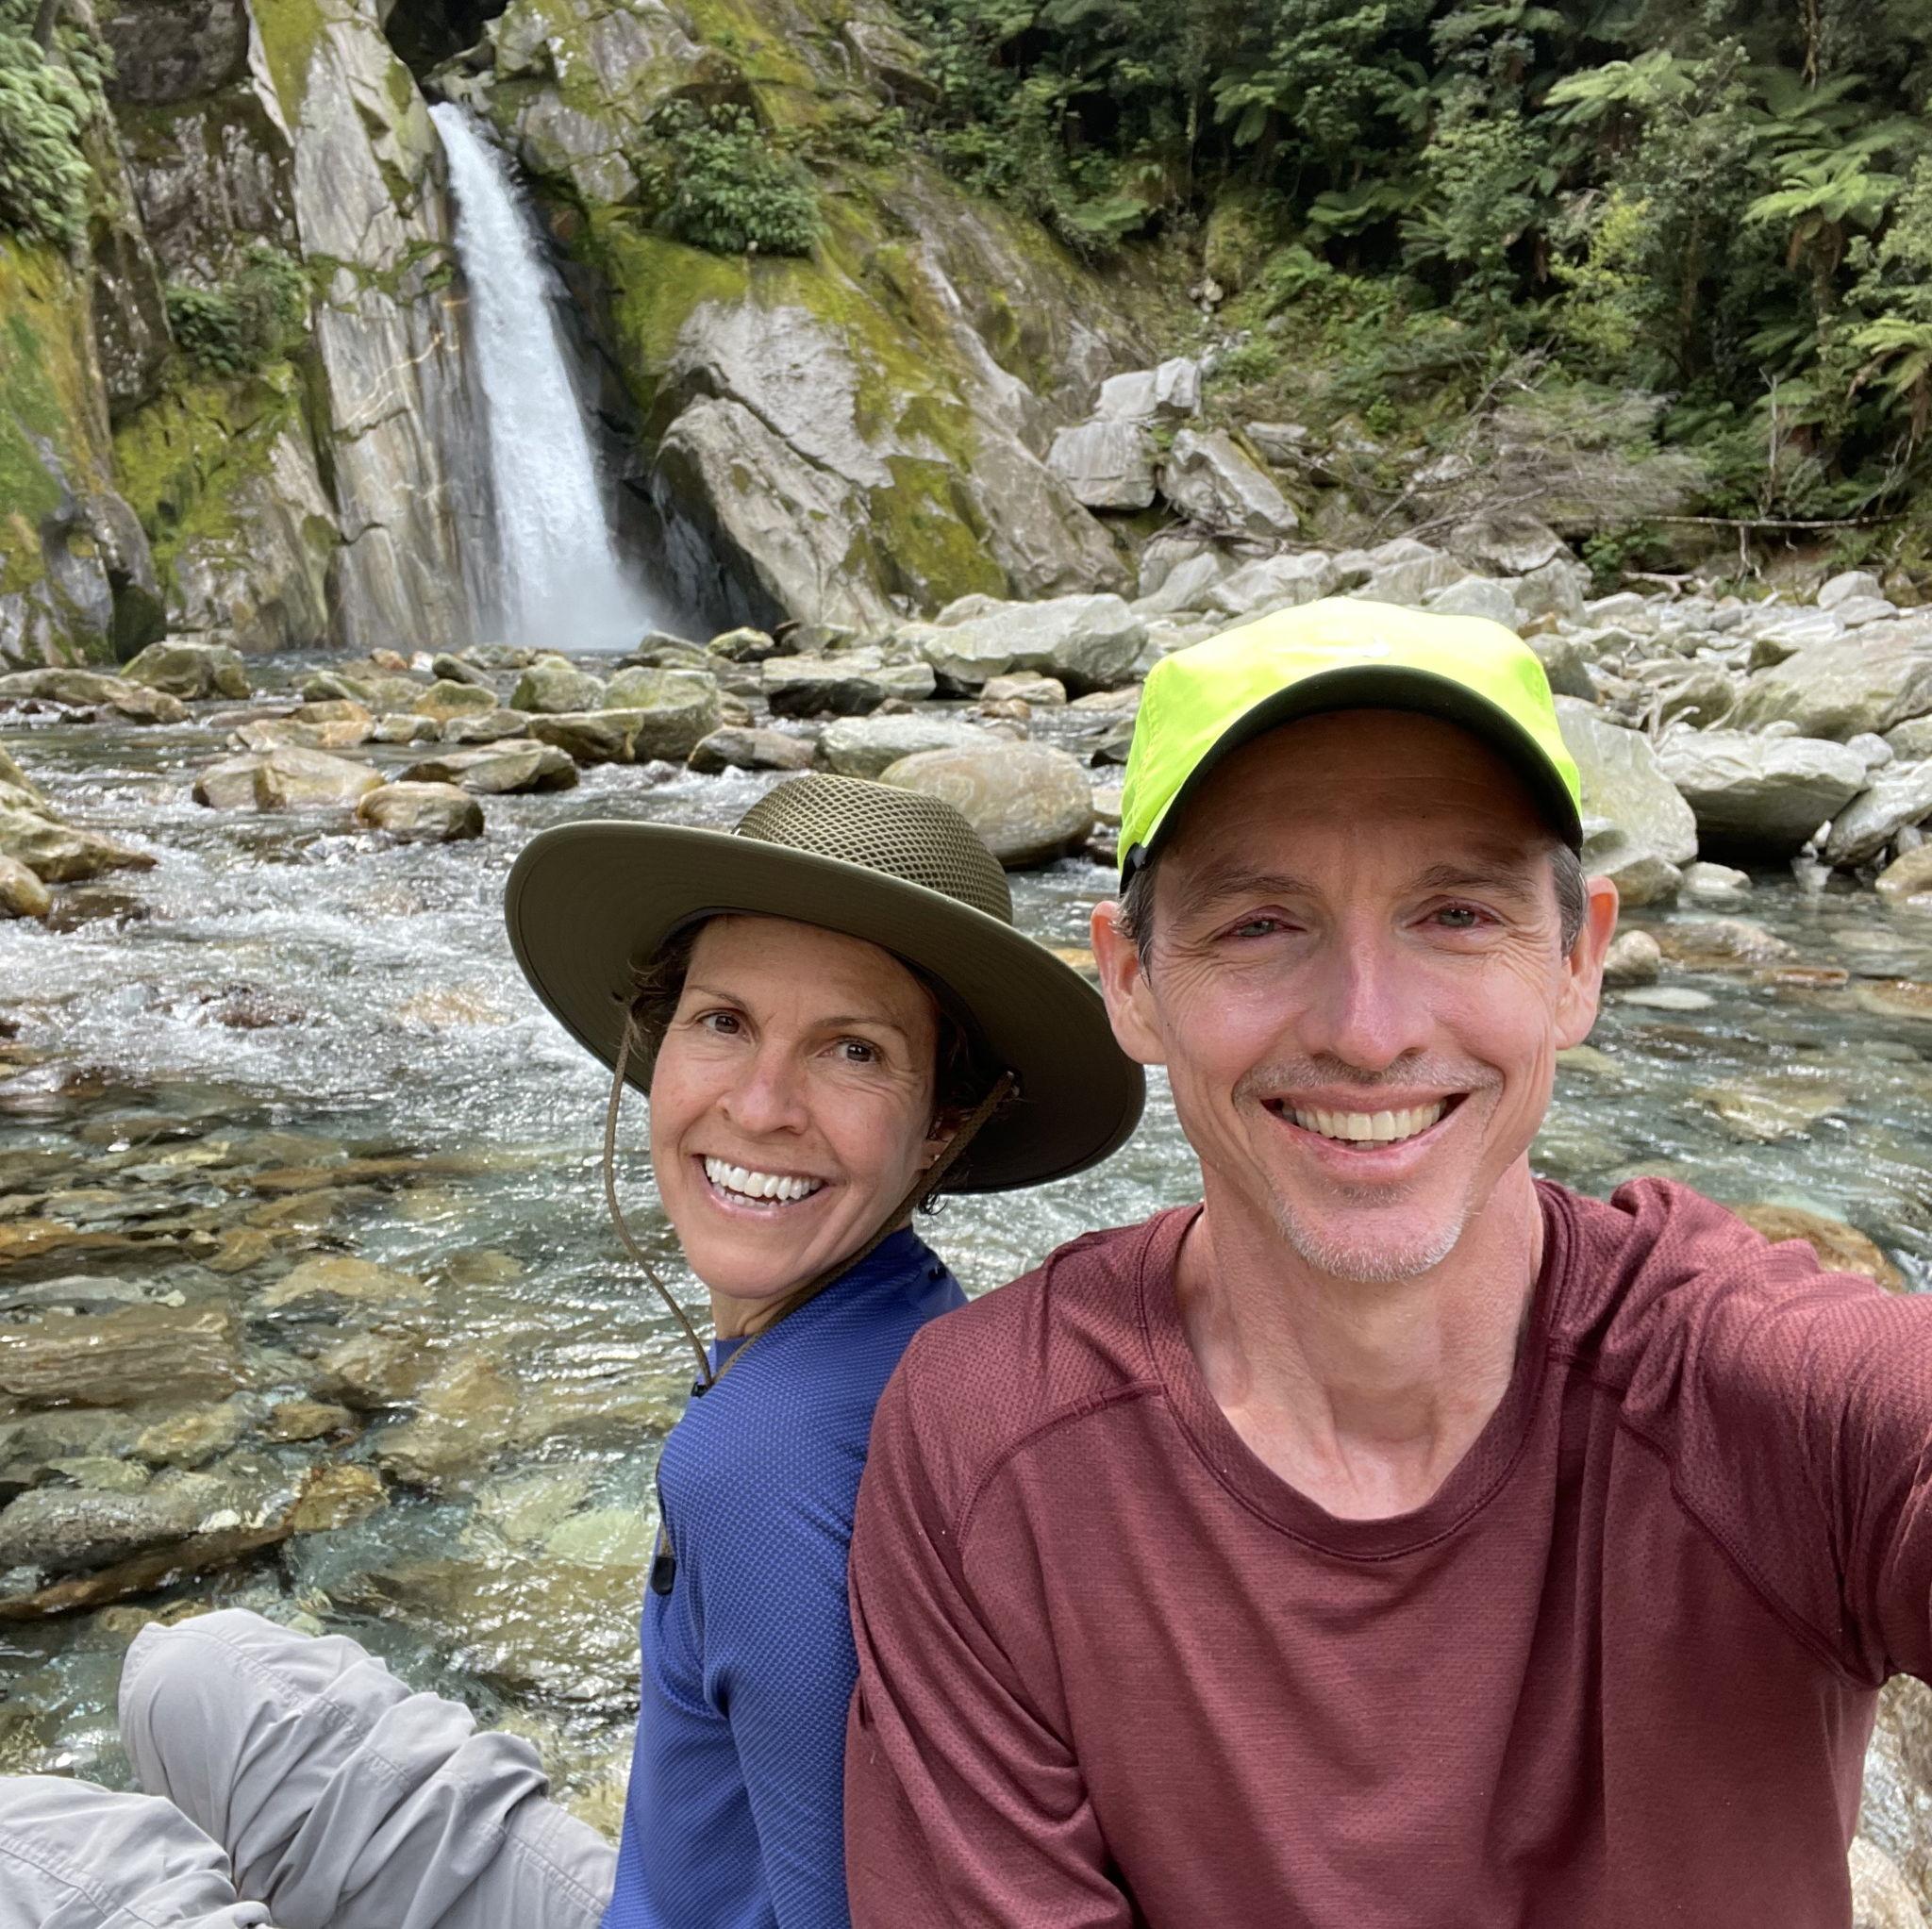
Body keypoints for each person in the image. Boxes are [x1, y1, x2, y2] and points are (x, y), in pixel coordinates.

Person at [842, 598, 1932, 1925]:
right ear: (1130, 982)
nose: (1367, 1030)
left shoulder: (1763, 1398)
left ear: (1581, 960)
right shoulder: (988, 1438)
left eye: (1457, 914)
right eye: (1259, 924)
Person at [0, 773, 1142, 1929]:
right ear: (661, 1035)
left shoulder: (766, 1459)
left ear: (943, 1120)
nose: (757, 1105)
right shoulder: (907, 1325)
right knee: (200, 1677)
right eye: (724, 1020)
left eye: (850, 1049)